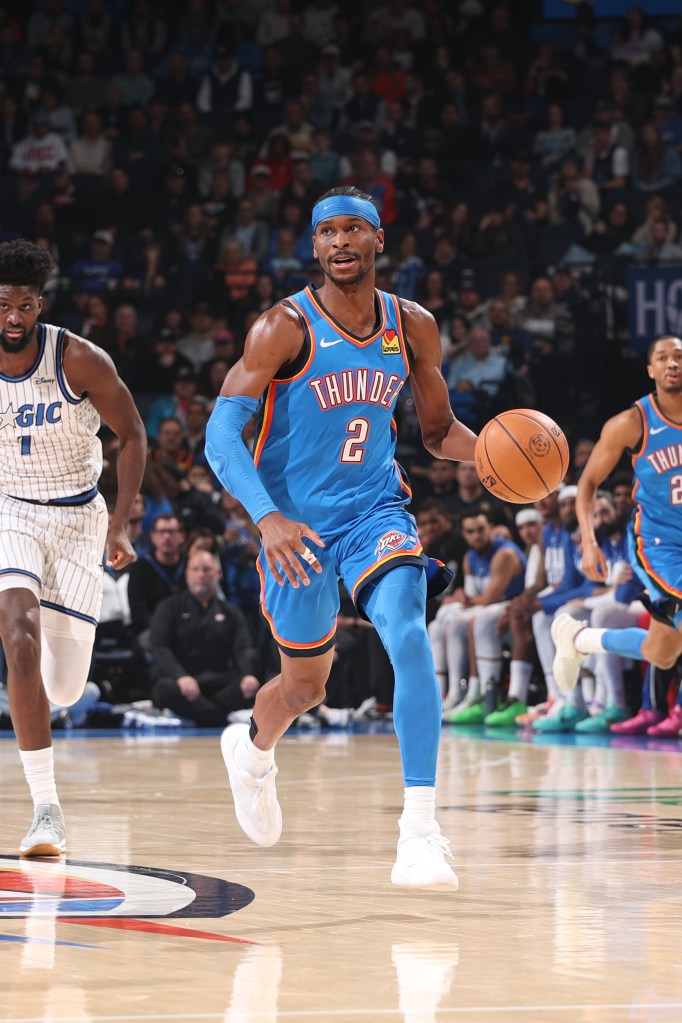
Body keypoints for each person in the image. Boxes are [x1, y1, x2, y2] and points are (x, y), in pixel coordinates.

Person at [205, 186, 478, 890]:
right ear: (315, 246)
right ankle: (254, 754)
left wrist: (501, 458)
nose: (340, 243)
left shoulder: (412, 325)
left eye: (354, 229)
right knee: (304, 687)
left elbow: (440, 431)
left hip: (375, 513)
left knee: (407, 632)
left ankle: (420, 830)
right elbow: (219, 434)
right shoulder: (282, 327)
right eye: (328, 232)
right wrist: (267, 517)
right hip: (295, 530)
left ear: (379, 240)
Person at [0, 239, 146, 856]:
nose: (13, 317)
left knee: (63, 687)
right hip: (11, 511)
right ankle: (45, 809)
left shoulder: (79, 360)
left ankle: (52, 708)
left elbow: (133, 435)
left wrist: (119, 522)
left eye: (25, 305)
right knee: (17, 630)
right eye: (4, 304)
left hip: (79, 518)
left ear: (41, 306)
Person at [552, 336, 682, 705]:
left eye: (679, 356)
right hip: (659, 545)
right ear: (651, 370)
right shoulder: (632, 422)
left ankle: (579, 640)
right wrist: (590, 541)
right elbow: (588, 484)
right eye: (663, 357)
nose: (672, 363)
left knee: (663, 652)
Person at [150, 549, 260, 726]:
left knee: (250, 687)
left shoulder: (230, 611)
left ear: (217, 574)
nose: (201, 575)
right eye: (195, 569)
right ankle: (224, 718)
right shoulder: (169, 607)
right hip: (182, 680)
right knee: (164, 690)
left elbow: (243, 647)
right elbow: (159, 646)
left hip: (219, 680)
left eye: (207, 570)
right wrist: (181, 677)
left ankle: (193, 716)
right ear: (187, 573)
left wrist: (248, 674)